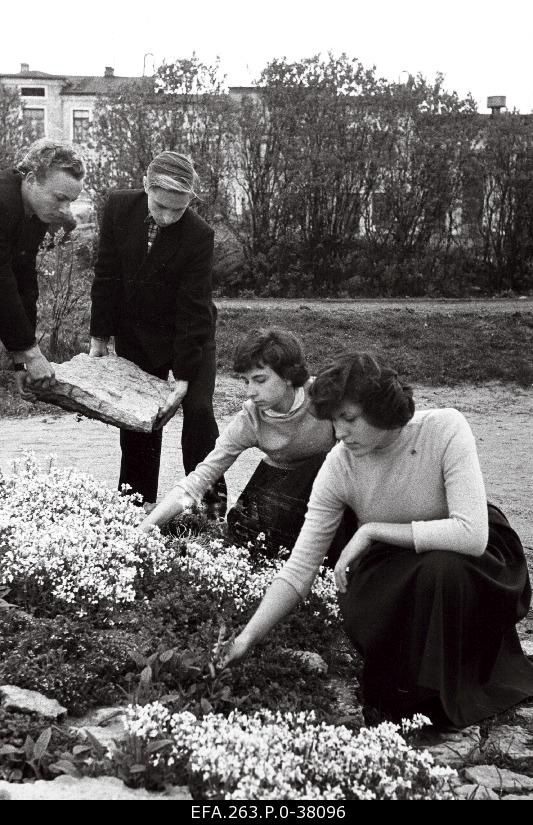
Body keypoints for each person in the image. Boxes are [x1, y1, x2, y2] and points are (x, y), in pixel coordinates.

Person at [222, 351, 533, 729]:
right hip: (395, 564)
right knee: (388, 588)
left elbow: (470, 534)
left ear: (382, 408)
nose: (339, 433)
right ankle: (405, 697)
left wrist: (372, 530)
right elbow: (300, 569)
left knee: (441, 569)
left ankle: (444, 698)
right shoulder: (339, 464)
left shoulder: (445, 427)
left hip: (473, 558)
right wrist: (247, 638)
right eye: (334, 421)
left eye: (349, 418)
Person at [141, 327, 355, 565]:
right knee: (246, 550)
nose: (250, 392)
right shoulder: (251, 417)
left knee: (327, 465)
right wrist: (144, 528)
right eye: (246, 381)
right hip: (277, 489)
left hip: (330, 489)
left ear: (287, 375)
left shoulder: (321, 397)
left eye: (260, 380)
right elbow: (200, 478)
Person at [89, 151, 225, 509]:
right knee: (141, 422)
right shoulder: (119, 207)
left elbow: (193, 308)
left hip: (190, 334)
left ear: (189, 202)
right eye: (160, 206)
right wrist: (99, 339)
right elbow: (106, 275)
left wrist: (182, 377)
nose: (167, 217)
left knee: (198, 413)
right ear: (145, 185)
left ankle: (208, 506)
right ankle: (135, 506)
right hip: (136, 332)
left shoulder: (199, 235)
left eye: (177, 210)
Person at [0, 139, 85, 397]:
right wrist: (31, 354)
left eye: (70, 201)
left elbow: (23, 281)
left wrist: (22, 360)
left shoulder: (34, 212)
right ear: (31, 179)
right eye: (60, 198)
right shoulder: (2, 202)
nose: (64, 210)